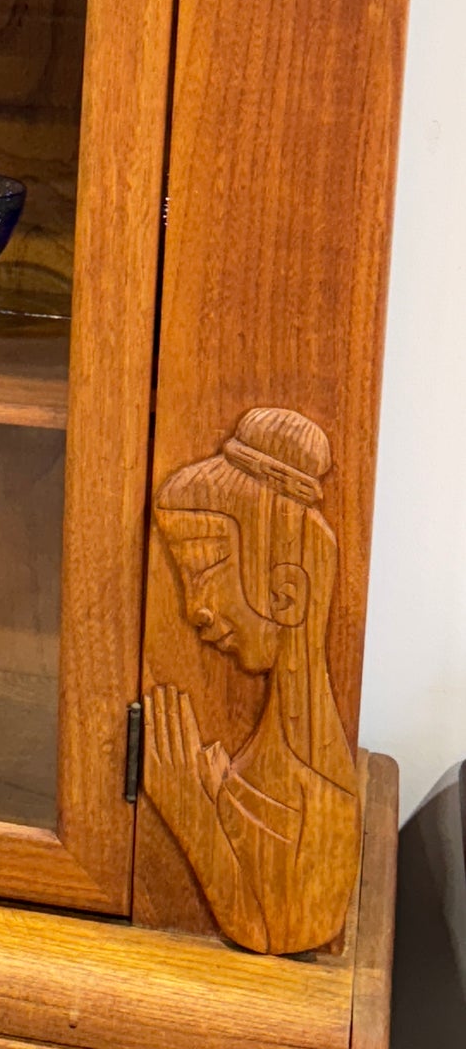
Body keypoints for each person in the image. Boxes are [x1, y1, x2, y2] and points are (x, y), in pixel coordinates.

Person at [146, 406, 360, 953]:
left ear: (286, 593)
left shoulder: (314, 782)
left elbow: (286, 930)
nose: (192, 609)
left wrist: (193, 813)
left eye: (202, 575)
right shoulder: (283, 758)